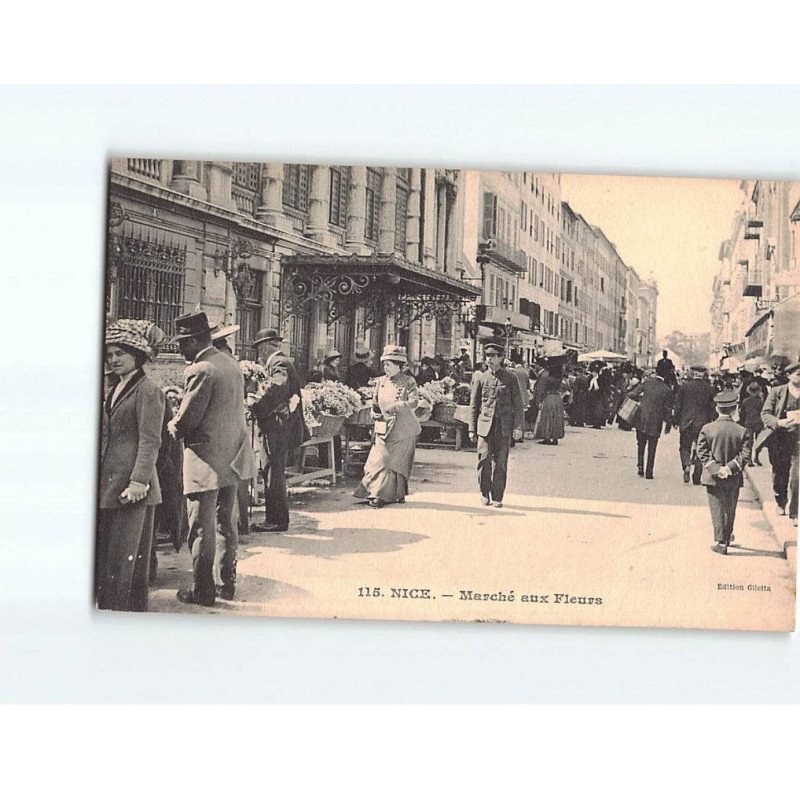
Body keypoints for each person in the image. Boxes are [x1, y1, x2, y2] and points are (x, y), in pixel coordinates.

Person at [168, 312, 258, 606]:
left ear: (194, 341)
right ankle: (225, 583)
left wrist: (172, 425)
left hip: (205, 460)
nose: (180, 350)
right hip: (231, 458)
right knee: (224, 524)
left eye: (182, 344)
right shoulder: (230, 363)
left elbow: (188, 419)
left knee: (201, 527)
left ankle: (203, 590)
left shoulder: (201, 369)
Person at [97, 319, 166, 612]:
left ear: (136, 355)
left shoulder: (148, 390)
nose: (113, 360)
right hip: (110, 484)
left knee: (124, 562)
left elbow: (150, 441)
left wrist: (139, 481)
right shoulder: (114, 387)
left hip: (133, 489)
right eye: (110, 355)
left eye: (119, 354)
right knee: (111, 560)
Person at [250, 327, 309, 532]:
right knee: (273, 472)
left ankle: (276, 521)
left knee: (272, 473)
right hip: (279, 427)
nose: (259, 355)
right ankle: (276, 519)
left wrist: (257, 405)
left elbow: (277, 386)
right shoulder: (280, 361)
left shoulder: (278, 363)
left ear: (266, 347)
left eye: (259, 349)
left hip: (277, 428)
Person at [354, 345, 421, 508]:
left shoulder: (408, 381)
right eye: (384, 365)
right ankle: (374, 492)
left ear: (398, 366)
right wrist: (374, 413)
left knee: (393, 462)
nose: (386, 368)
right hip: (384, 427)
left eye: (389, 365)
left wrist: (397, 405)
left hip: (403, 430)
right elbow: (375, 403)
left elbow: (414, 402)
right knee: (377, 460)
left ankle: (384, 495)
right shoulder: (380, 382)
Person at [210, 322, 252, 541]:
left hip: (226, 433)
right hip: (237, 429)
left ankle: (237, 525)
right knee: (237, 480)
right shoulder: (232, 364)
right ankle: (241, 524)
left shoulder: (218, 365)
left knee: (230, 484)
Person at [468, 342, 524, 507]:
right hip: (485, 427)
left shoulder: (510, 378)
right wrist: (472, 429)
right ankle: (484, 493)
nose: (489, 359)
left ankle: (498, 496)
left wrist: (518, 427)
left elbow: (518, 405)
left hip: (504, 428)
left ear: (501, 358)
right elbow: (474, 405)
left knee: (500, 463)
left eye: (493, 356)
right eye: (487, 356)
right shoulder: (481, 378)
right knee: (484, 461)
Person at [697, 391, 751, 555]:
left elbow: (702, 451)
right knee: (730, 507)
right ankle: (727, 537)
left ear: (716, 408)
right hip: (733, 476)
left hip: (712, 476)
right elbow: (745, 454)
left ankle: (721, 542)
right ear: (734, 409)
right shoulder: (742, 430)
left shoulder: (707, 429)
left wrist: (716, 469)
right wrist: (729, 468)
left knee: (717, 508)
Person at [760, 360, 800, 522]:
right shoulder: (777, 392)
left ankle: (795, 512)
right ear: (789, 375)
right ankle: (781, 501)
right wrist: (779, 422)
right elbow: (765, 414)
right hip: (781, 439)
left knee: (797, 476)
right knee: (780, 474)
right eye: (798, 374)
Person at [673, 365, 717, 484]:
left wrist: (675, 420)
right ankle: (696, 476)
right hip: (702, 424)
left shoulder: (684, 387)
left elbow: (678, 406)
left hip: (686, 422)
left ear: (693, 373)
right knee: (701, 449)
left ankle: (686, 465)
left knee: (684, 446)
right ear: (703, 374)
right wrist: (715, 421)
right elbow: (713, 407)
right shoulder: (710, 389)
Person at [627, 368, 674, 479]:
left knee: (641, 444)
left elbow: (633, 394)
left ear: (656, 373)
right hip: (656, 422)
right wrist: (668, 424)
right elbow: (668, 410)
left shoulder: (646, 383)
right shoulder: (667, 390)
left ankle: (640, 466)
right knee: (652, 447)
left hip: (641, 419)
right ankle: (649, 471)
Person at [533, 358, 566, 445]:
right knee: (556, 418)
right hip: (557, 397)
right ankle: (555, 438)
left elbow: (542, 388)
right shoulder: (559, 375)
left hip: (549, 397)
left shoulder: (546, 375)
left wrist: (539, 399)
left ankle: (547, 437)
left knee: (547, 417)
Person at [739, 381, 766, 467]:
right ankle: (756, 458)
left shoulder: (745, 401)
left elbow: (742, 413)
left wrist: (742, 422)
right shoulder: (761, 402)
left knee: (749, 443)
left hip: (748, 423)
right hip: (759, 423)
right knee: (759, 442)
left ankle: (749, 459)